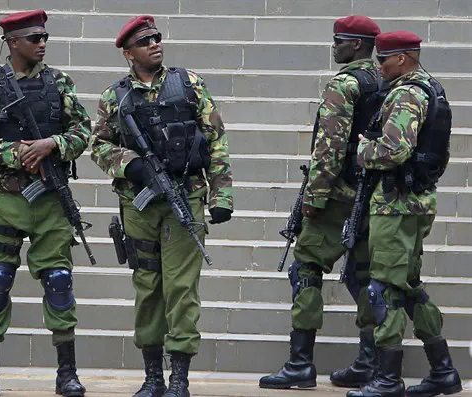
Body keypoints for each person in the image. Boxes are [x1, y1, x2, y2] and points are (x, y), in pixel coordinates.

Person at [90, 15, 233, 397]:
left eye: (156, 37)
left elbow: (215, 138)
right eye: (145, 41)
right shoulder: (114, 96)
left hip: (184, 197)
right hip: (138, 207)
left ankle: (179, 378)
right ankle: (153, 376)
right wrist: (132, 165)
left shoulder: (188, 84)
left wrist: (222, 195)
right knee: (147, 286)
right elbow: (98, 145)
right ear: (127, 53)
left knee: (182, 289)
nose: (155, 44)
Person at [0, 10, 91, 397]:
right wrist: (17, 152)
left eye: (44, 37)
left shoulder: (59, 83)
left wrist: (53, 144)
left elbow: (83, 132)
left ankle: (66, 372)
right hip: (6, 200)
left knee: (59, 282)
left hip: (51, 202)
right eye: (33, 37)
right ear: (12, 42)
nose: (42, 43)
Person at [260, 15, 384, 391]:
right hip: (372, 195)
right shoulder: (385, 80)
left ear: (359, 45)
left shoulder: (345, 84)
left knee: (307, 271)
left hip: (337, 195)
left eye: (340, 40)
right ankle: (370, 362)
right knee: (364, 275)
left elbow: (328, 148)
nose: (335, 46)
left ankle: (300, 364)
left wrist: (313, 198)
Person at [347, 30, 461, 397]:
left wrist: (363, 151)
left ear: (402, 58)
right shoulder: (431, 88)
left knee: (386, 289)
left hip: (396, 206)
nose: (378, 66)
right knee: (410, 287)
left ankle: (387, 379)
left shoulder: (406, 93)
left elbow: (394, 150)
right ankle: (444, 371)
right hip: (415, 202)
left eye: (383, 60)